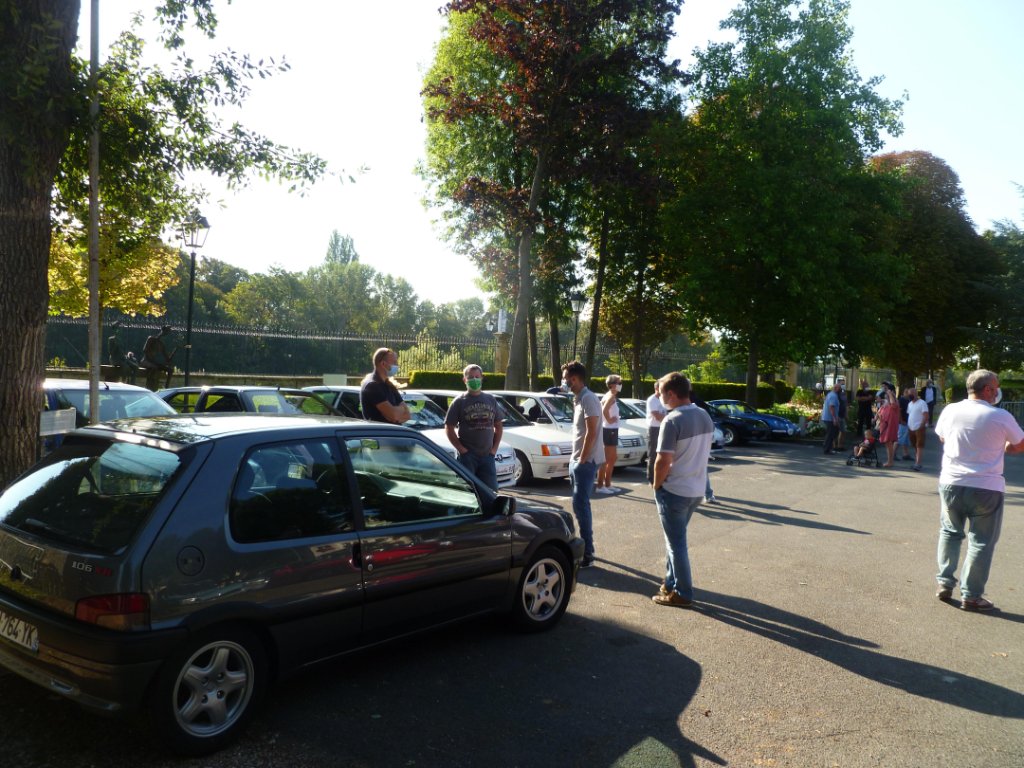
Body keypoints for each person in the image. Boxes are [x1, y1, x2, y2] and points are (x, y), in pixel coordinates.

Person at [934, 369, 1024, 611]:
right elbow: (1020, 444)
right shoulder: (1000, 416)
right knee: (981, 541)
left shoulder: (950, 410)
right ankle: (972, 595)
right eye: (996, 387)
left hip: (952, 481)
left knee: (950, 532)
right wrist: (1002, 447)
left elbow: (942, 437)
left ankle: (944, 582)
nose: (997, 392)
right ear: (987, 389)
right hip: (986, 486)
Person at [651, 372, 715, 608]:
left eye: (661, 393)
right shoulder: (704, 415)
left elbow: (663, 460)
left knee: (676, 544)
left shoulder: (672, 420)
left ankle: (683, 593)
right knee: (675, 540)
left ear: (671, 394)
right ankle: (670, 584)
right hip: (696, 489)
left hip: (675, 489)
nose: (660, 398)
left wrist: (656, 484)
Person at [562, 360, 603, 568]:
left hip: (585, 462)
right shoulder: (579, 398)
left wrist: (582, 459)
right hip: (577, 460)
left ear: (574, 379)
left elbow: (591, 431)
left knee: (581, 506)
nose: (564, 382)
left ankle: (588, 553)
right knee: (579, 506)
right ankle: (585, 548)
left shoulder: (588, 398)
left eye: (566, 378)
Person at [444, 364, 503, 491]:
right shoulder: (459, 401)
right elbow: (449, 427)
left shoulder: (490, 399)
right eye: (471, 377)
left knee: (490, 492)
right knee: (467, 491)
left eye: (477, 376)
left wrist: (493, 450)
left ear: (482, 378)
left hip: (487, 457)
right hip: (467, 458)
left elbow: (498, 425)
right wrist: (462, 450)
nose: (474, 380)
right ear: (464, 380)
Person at [360, 347, 411, 425]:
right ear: (383, 364)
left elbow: (407, 415)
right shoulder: (372, 386)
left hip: (392, 431)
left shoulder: (389, 385)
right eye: (394, 362)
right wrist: (399, 411)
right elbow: (394, 415)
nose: (397, 365)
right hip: (380, 432)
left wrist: (395, 413)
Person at [597, 374, 622, 493]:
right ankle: (600, 486)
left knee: (612, 458)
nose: (620, 385)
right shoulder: (610, 396)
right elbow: (604, 410)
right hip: (609, 430)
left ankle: (607, 484)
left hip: (611, 429)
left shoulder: (611, 396)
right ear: (612, 385)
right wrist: (609, 420)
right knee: (606, 459)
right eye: (619, 383)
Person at [645, 380, 668, 485]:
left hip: (663, 428)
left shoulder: (664, 399)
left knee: (664, 453)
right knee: (653, 454)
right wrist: (669, 418)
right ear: (656, 388)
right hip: (654, 429)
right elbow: (657, 416)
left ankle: (662, 476)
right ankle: (651, 478)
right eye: (661, 388)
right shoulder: (652, 400)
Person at [139, 325, 175, 390]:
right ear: (162, 330)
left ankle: (166, 389)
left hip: (154, 362)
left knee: (170, 370)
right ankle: (149, 387)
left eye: (167, 332)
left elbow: (167, 359)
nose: (166, 334)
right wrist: (153, 361)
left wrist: (175, 350)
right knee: (155, 367)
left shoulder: (161, 344)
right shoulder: (151, 339)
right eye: (166, 331)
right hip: (146, 361)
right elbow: (145, 350)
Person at [107, 320, 140, 384]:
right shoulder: (111, 339)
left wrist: (128, 355)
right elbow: (111, 352)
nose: (120, 330)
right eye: (118, 328)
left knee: (135, 367)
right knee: (126, 367)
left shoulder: (121, 339)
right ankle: (124, 382)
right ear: (115, 330)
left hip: (123, 358)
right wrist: (116, 345)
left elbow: (123, 351)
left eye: (120, 328)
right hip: (115, 359)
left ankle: (132, 382)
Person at [906, 387, 929, 471]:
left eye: (911, 393)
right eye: (909, 394)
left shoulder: (922, 403)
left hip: (919, 427)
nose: (910, 395)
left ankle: (918, 463)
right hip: (911, 428)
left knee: (919, 445)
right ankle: (917, 461)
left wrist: (922, 425)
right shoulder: (910, 404)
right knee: (915, 445)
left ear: (916, 394)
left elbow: (926, 415)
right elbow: (910, 414)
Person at [877, 388, 900, 467]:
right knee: (887, 444)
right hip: (884, 426)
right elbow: (879, 414)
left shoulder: (894, 405)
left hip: (890, 426)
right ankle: (890, 461)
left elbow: (893, 403)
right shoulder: (885, 406)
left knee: (889, 443)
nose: (886, 398)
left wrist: (890, 394)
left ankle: (890, 461)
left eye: (888, 397)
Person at [821, 382, 842, 454]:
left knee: (834, 432)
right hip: (829, 418)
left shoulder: (831, 394)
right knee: (831, 433)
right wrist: (834, 418)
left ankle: (827, 447)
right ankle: (827, 449)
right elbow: (831, 407)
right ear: (836, 388)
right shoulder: (833, 396)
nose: (841, 390)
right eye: (840, 388)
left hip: (829, 417)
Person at [896, 387, 913, 461]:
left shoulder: (909, 400)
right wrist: (901, 420)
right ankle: (893, 453)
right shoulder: (901, 400)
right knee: (900, 438)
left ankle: (905, 454)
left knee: (906, 439)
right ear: (904, 393)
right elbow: (899, 411)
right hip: (902, 422)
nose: (908, 394)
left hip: (908, 421)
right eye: (906, 392)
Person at [835, 382, 849, 450]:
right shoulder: (835, 394)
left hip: (842, 415)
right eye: (841, 385)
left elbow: (845, 405)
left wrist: (846, 414)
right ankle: (836, 445)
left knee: (843, 431)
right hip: (837, 415)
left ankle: (840, 445)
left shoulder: (844, 394)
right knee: (838, 431)